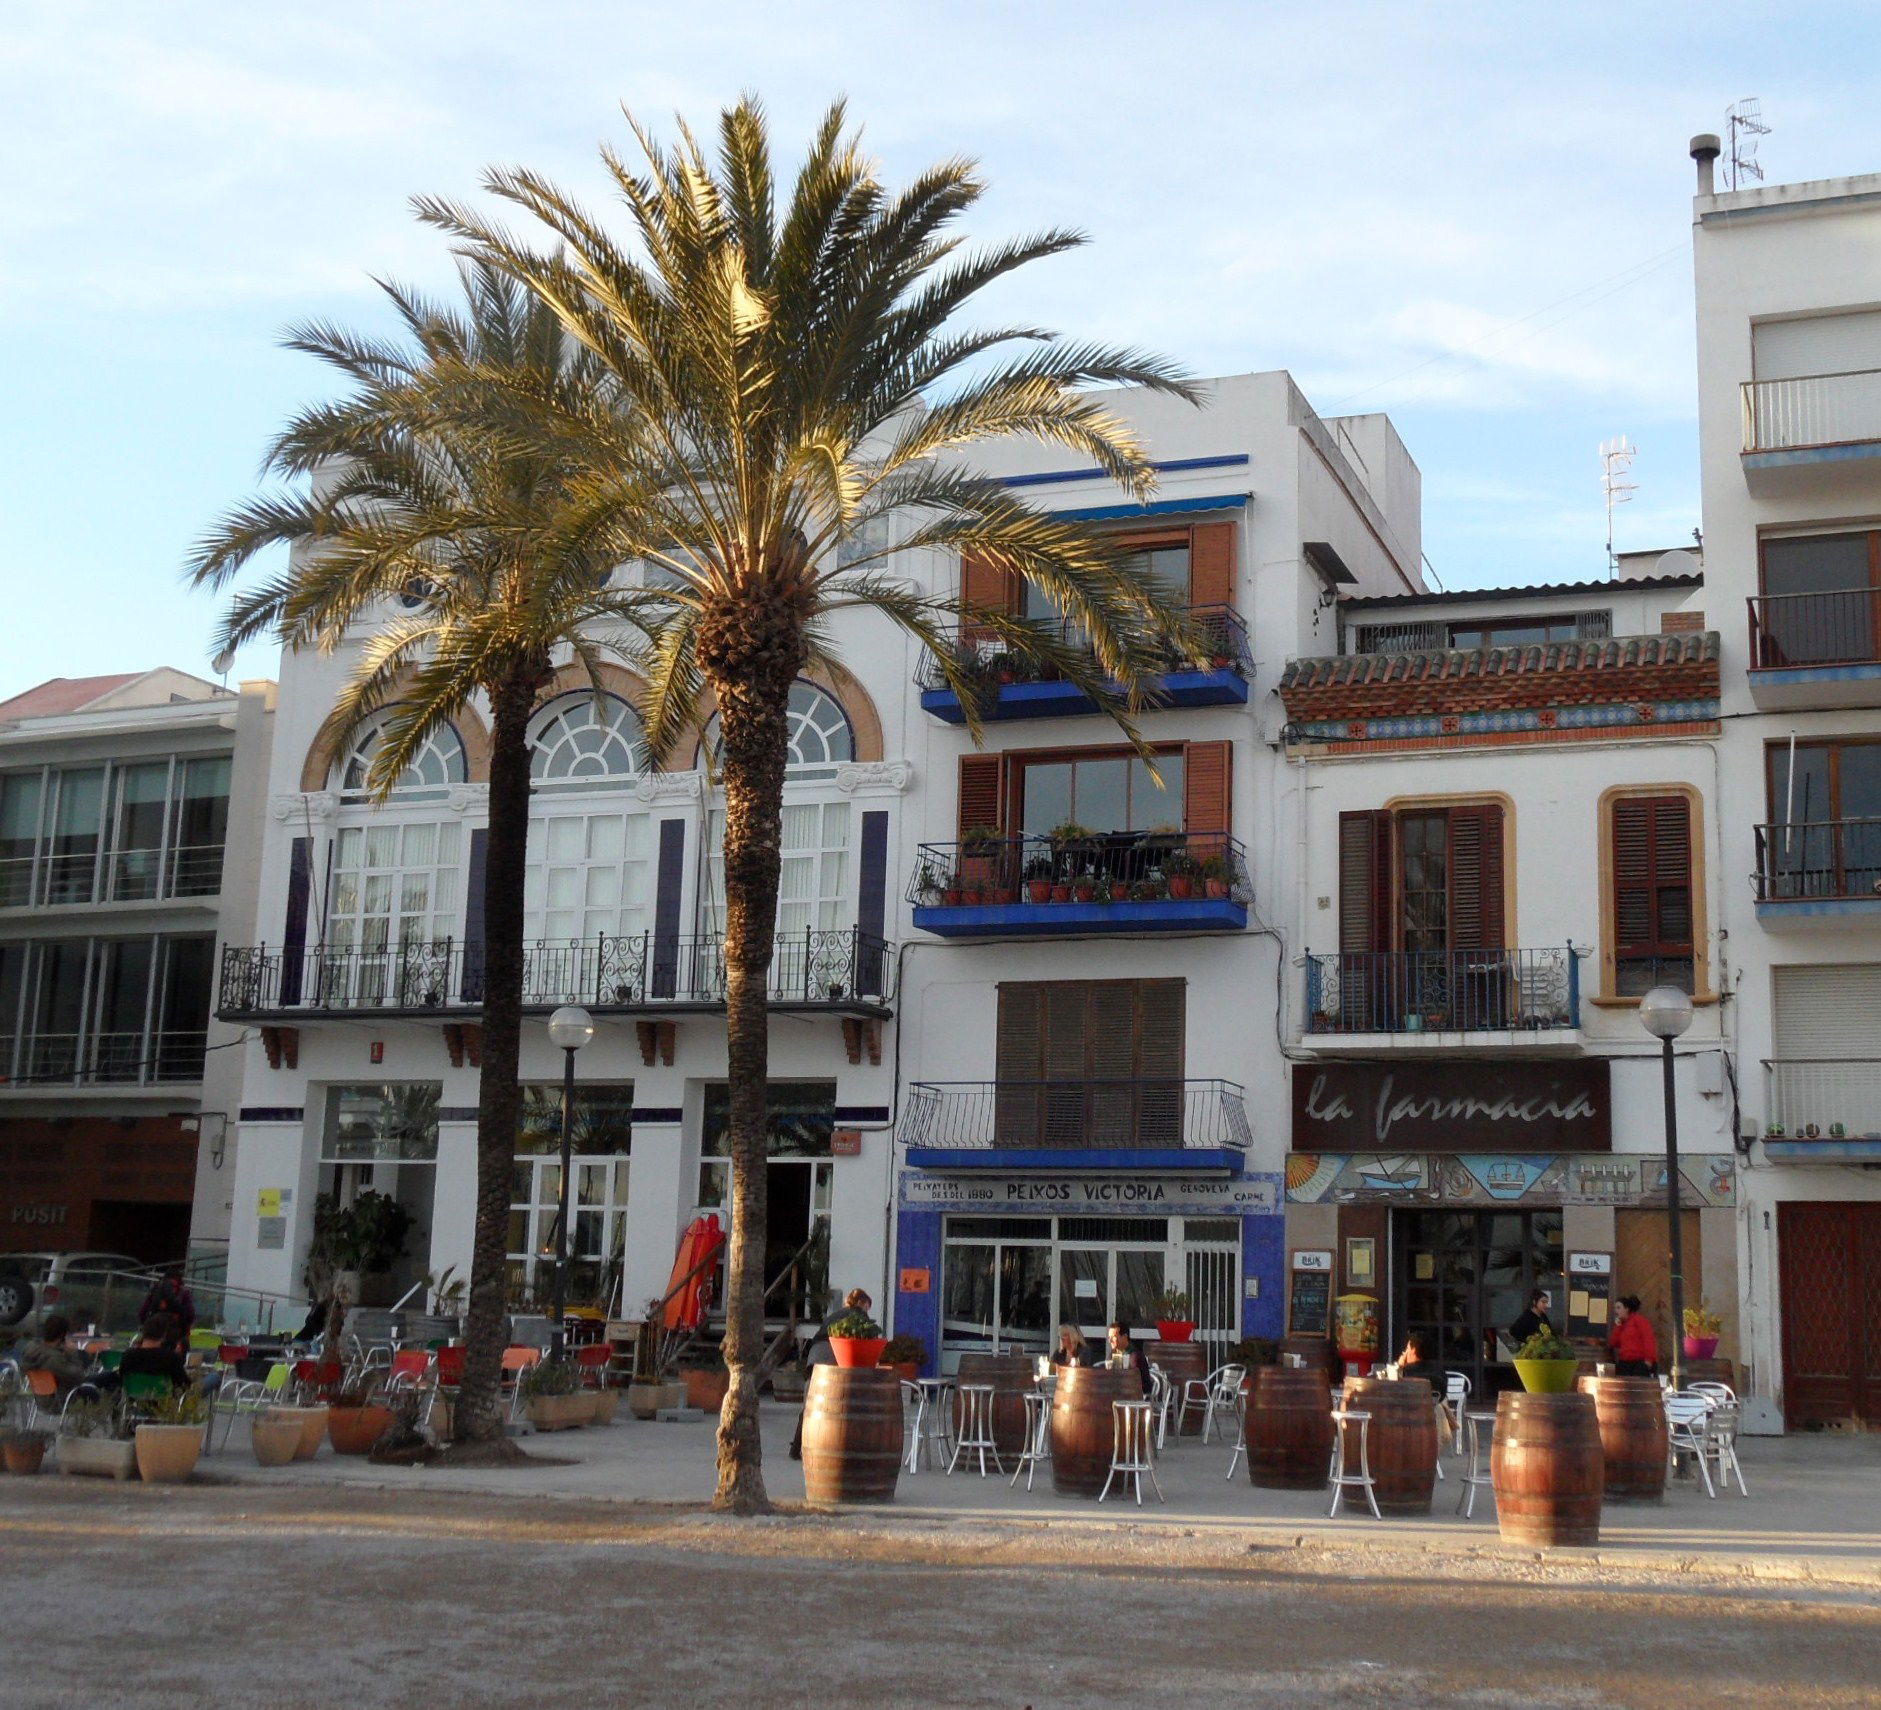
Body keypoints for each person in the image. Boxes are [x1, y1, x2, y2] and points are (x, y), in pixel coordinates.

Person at [789, 1287, 875, 1460]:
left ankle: (796, 1447)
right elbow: (864, 1341)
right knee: (837, 1404)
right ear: (861, 1303)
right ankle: (833, 1447)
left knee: (809, 1403)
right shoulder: (859, 1316)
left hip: (815, 1354)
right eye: (867, 1306)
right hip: (835, 1353)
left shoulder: (835, 1315)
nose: (867, 1310)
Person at [110, 1312, 194, 1394]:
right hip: (164, 1403)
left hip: (134, 1399)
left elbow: (122, 1379)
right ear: (164, 1334)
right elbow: (184, 1385)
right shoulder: (170, 1358)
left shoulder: (128, 1355)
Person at [19, 1314, 89, 1397]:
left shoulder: (31, 1348)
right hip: (59, 1400)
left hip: (37, 1398)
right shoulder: (53, 1359)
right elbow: (79, 1377)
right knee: (94, 1386)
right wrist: (73, 1354)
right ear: (62, 1336)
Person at [138, 1267, 196, 1342]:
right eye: (170, 1286)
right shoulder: (156, 1293)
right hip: (157, 1333)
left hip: (174, 1333)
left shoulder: (183, 1294)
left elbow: (190, 1315)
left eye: (174, 1287)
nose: (171, 1290)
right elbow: (143, 1312)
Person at [1608, 1294, 1658, 1378]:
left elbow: (1649, 1339)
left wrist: (1649, 1359)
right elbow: (1613, 1343)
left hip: (1639, 1362)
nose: (1615, 1311)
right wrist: (1618, 1326)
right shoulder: (1621, 1325)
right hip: (1624, 1362)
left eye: (1618, 1307)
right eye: (1615, 1308)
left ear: (1627, 1309)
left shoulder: (1639, 1320)